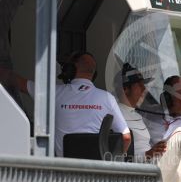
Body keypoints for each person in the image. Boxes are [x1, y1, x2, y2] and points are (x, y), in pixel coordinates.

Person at [0, 52, 131, 157]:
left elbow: (17, 82)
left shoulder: (54, 93)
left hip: (64, 172)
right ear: (94, 74)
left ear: (70, 69)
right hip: (96, 172)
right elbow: (126, 137)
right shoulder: (107, 98)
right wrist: (111, 162)